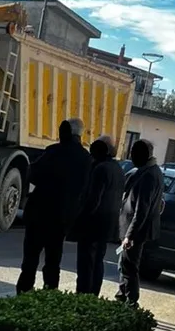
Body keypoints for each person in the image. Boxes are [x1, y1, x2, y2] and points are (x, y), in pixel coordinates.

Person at [16, 118, 93, 293]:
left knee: (30, 259)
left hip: (39, 213)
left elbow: (33, 174)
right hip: (62, 218)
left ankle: (23, 293)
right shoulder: (86, 159)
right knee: (53, 261)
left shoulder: (53, 152)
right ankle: (49, 295)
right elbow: (86, 191)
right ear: (80, 135)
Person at [74, 135, 125, 295]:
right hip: (108, 224)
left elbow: (93, 199)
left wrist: (80, 220)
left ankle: (83, 294)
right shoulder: (118, 169)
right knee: (97, 262)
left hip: (93, 224)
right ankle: (94, 293)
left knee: (86, 263)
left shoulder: (100, 169)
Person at [116, 139, 163, 307]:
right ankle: (122, 297)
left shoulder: (149, 175)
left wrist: (130, 235)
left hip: (136, 230)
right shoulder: (150, 171)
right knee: (125, 264)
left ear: (142, 155)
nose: (131, 156)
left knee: (129, 267)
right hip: (135, 228)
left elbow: (141, 209)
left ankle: (130, 301)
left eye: (134, 153)